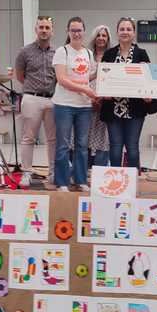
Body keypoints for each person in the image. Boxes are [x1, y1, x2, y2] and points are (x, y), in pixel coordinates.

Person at [52, 17, 96, 192]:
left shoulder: (88, 53)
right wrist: (85, 90)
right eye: (73, 30)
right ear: (68, 32)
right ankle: (62, 182)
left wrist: (106, 74)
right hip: (64, 104)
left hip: (84, 106)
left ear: (84, 31)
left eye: (79, 30)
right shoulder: (62, 52)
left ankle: (80, 179)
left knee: (82, 145)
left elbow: (88, 76)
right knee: (63, 145)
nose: (76, 33)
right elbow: (62, 79)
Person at [100, 17, 151, 170]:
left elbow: (148, 80)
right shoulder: (109, 54)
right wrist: (103, 93)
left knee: (132, 148)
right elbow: (103, 79)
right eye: (122, 29)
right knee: (115, 147)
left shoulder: (142, 54)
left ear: (134, 33)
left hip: (134, 109)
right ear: (117, 32)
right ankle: (116, 181)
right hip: (113, 108)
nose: (125, 32)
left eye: (128, 29)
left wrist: (148, 94)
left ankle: (132, 183)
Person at [15, 16, 57, 188]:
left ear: (52, 31)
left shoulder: (57, 52)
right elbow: (19, 76)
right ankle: (26, 173)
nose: (44, 30)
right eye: (41, 27)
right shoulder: (25, 52)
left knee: (53, 139)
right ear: (36, 29)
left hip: (52, 99)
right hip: (31, 97)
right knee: (28, 138)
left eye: (47, 27)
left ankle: (53, 173)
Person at [87, 25, 111, 167]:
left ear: (108, 39)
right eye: (98, 35)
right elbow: (81, 77)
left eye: (104, 35)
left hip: (104, 104)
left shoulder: (113, 56)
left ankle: (100, 170)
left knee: (103, 138)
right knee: (84, 136)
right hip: (86, 101)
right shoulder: (86, 55)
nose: (101, 38)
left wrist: (101, 100)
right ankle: (84, 170)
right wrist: (91, 98)